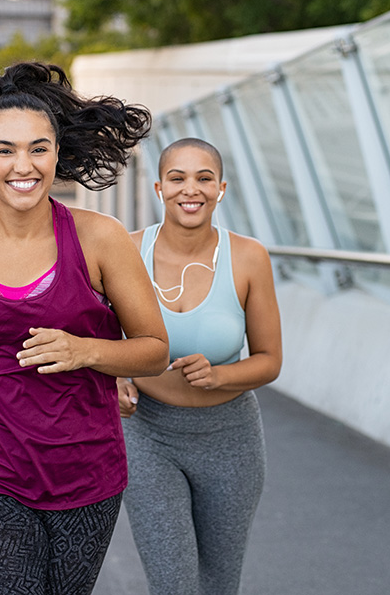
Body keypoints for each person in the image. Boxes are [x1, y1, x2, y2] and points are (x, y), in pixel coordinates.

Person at [0, 62, 169, 595]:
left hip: (84, 470)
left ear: (56, 155)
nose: (22, 165)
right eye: (4, 150)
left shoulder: (101, 238)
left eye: (38, 148)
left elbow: (154, 351)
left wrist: (84, 351)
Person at [117, 137, 282, 595]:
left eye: (204, 178)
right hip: (149, 436)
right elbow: (101, 336)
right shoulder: (126, 251)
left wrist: (220, 375)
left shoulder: (249, 257)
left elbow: (270, 361)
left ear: (221, 188)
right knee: (173, 583)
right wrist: (118, 378)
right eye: (177, 178)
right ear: (158, 188)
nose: (191, 190)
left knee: (218, 583)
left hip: (231, 438)